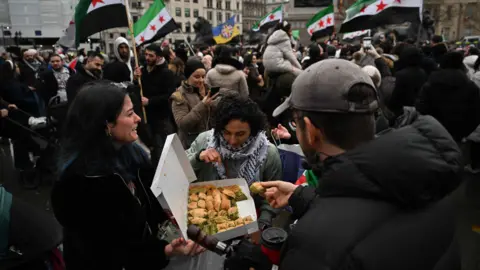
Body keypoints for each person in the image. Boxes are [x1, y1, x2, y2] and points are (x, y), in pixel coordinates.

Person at [255, 59, 462, 270]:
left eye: (295, 123)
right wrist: (302, 197)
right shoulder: (428, 178)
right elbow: (369, 215)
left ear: (310, 131)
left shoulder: (316, 244)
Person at [51, 81, 204, 270]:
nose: (138, 118)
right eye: (130, 114)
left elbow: (148, 207)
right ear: (106, 124)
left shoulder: (132, 155)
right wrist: (164, 251)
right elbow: (109, 252)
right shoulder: (79, 185)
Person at [186, 94, 282, 230]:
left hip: (247, 222)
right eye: (226, 132)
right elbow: (180, 172)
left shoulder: (268, 153)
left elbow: (273, 194)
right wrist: (198, 157)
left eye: (240, 134)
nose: (232, 141)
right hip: (205, 218)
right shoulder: (204, 140)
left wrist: (263, 222)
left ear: (253, 130)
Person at [416, 51, 480, 143]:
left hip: (432, 132)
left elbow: (421, 108)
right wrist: (463, 133)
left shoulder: (430, 84)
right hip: (458, 135)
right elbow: (476, 113)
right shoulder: (470, 86)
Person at [139, 44, 177, 166]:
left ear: (159, 57)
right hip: (147, 118)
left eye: (151, 55)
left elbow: (169, 95)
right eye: (146, 55)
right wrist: (136, 79)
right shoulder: (143, 71)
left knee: (164, 149)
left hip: (162, 117)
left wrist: (150, 101)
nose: (148, 58)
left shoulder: (167, 73)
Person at [171, 59, 217, 149]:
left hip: (210, 142)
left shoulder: (208, 89)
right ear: (188, 77)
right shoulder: (179, 95)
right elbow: (183, 124)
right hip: (191, 145)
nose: (201, 80)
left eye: (203, 76)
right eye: (197, 77)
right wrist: (203, 104)